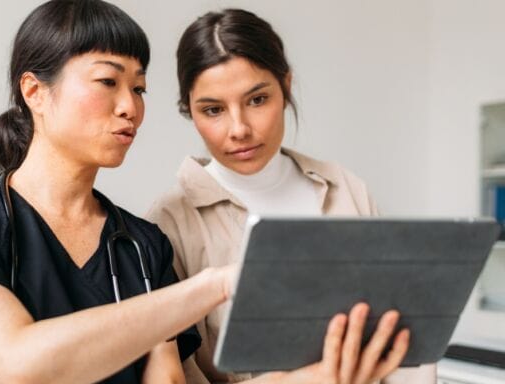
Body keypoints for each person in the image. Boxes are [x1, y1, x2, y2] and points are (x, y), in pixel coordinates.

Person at [0, 1, 411, 383]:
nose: (129, 106)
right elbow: (16, 363)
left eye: (140, 88)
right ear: (34, 92)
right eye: (108, 81)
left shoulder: (142, 245)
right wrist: (217, 284)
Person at [147, 8, 437, 384]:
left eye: (256, 100)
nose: (239, 129)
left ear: (285, 86)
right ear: (190, 110)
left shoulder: (345, 188)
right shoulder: (168, 223)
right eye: (213, 109)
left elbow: (402, 334)